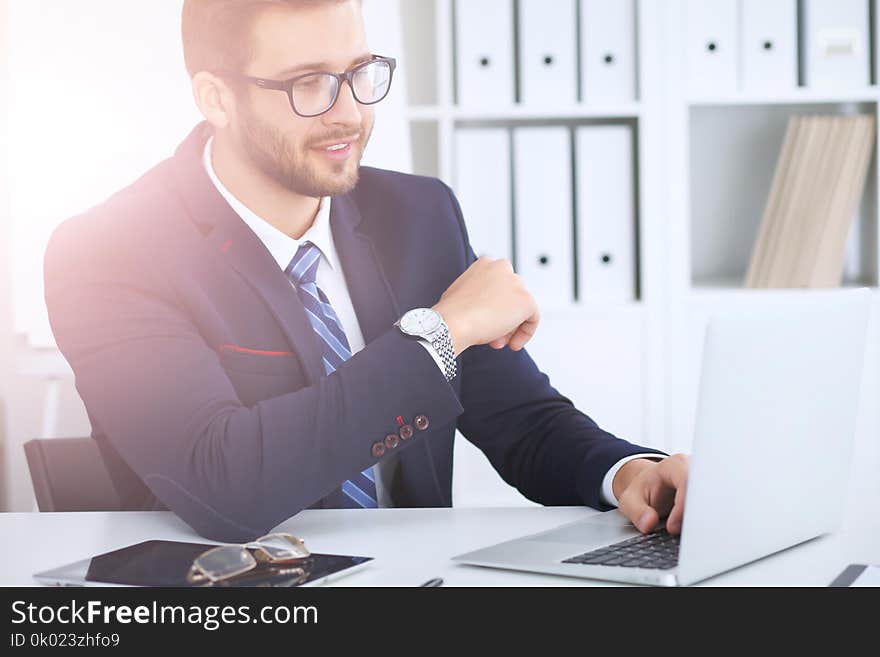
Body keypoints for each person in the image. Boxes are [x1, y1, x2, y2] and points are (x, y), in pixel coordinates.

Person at [44, 0, 689, 543]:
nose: (349, 112)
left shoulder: (416, 213)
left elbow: (519, 417)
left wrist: (629, 474)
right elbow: (225, 485)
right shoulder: (106, 251)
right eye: (308, 84)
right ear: (217, 98)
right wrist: (441, 330)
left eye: (360, 72)